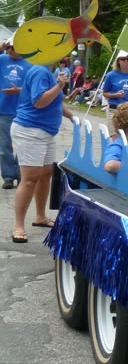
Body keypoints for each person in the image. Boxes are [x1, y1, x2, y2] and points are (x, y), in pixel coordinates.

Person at [11, 60, 73, 242]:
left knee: (46, 173)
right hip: (30, 130)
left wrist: (70, 115)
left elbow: (54, 101)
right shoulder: (40, 71)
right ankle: (18, 226)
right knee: (29, 179)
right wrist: (60, 86)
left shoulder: (48, 72)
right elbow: (39, 101)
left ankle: (40, 216)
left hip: (45, 132)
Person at [0, 37, 31, 189]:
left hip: (23, 110)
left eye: (14, 47)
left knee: (22, 145)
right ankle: (8, 176)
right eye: (9, 47)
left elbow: (36, 88)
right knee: (5, 145)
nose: (11, 50)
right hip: (3, 109)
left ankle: (21, 175)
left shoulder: (31, 64)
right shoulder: (2, 59)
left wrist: (19, 90)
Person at [101, 51, 128, 120]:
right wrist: (115, 95)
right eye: (123, 59)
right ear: (118, 61)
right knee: (113, 130)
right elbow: (105, 93)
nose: (126, 61)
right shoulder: (110, 75)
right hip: (114, 109)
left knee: (127, 131)